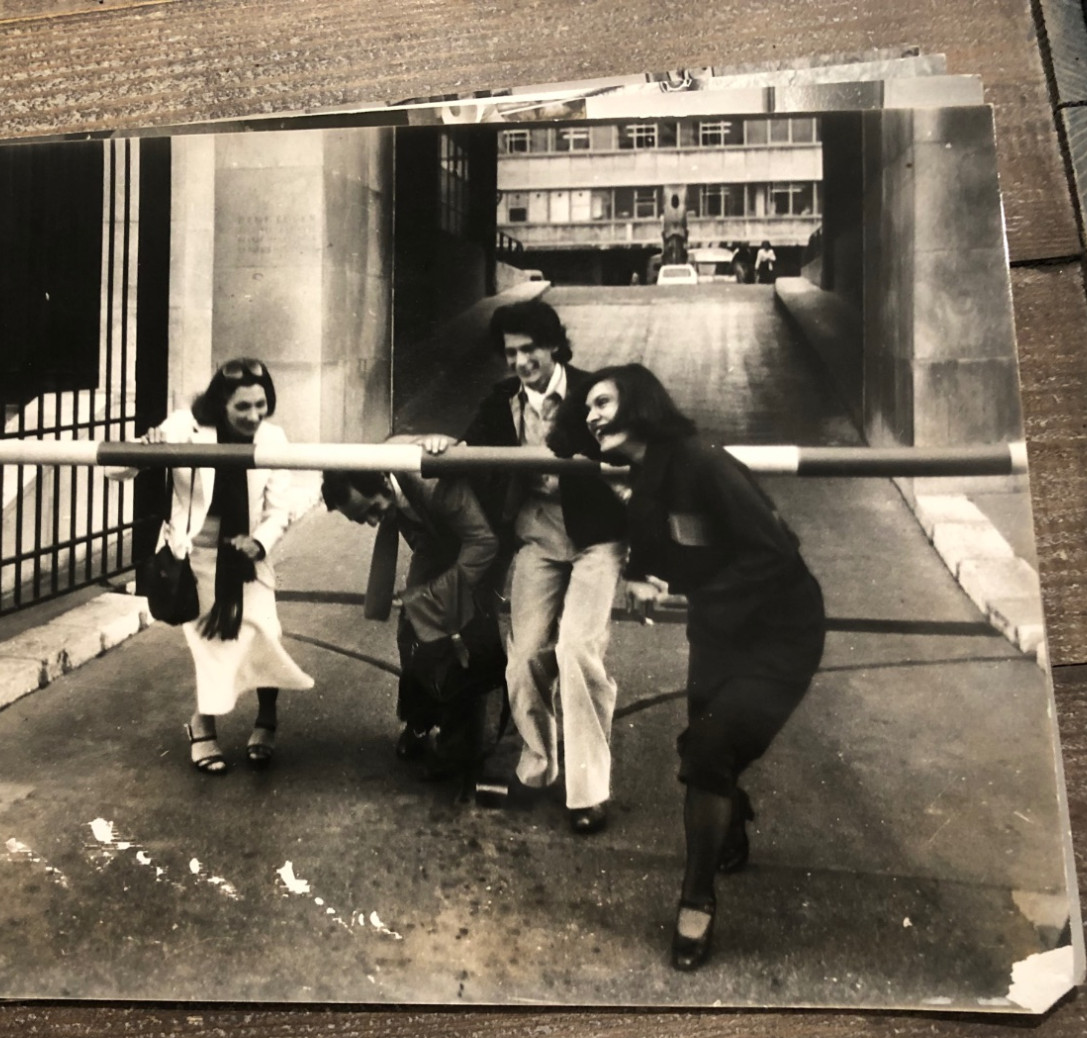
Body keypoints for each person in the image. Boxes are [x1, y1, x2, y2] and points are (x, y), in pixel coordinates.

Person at [554, 363, 825, 971]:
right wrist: (653, 577)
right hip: (718, 635)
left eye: (601, 402)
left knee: (706, 750)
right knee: (713, 757)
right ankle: (728, 822)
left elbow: (778, 553)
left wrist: (673, 592)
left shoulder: (703, 461)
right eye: (586, 409)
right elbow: (671, 551)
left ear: (641, 403)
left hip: (781, 633)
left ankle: (695, 902)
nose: (590, 416)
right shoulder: (646, 477)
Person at [424, 300, 627, 834]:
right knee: (525, 654)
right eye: (511, 352)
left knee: (578, 650)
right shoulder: (503, 400)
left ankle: (588, 791)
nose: (520, 360)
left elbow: (635, 449)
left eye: (529, 349)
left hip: (596, 539)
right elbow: (470, 443)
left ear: (554, 345)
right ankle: (538, 767)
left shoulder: (592, 392)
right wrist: (449, 445)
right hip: (537, 536)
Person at [134, 358, 315, 773]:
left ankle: (266, 717)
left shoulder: (273, 439)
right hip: (197, 559)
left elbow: (278, 509)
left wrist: (260, 542)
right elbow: (119, 472)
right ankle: (203, 725)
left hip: (246, 560)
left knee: (266, 634)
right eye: (243, 407)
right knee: (212, 650)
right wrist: (147, 447)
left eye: (261, 405)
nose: (254, 416)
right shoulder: (185, 428)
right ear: (221, 405)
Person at [321, 456, 500, 795]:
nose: (375, 521)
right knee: (411, 629)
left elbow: (484, 541)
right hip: (436, 543)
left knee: (463, 642)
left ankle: (458, 745)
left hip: (483, 545)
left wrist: (439, 600)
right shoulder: (386, 487)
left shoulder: (432, 485)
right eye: (364, 520)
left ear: (385, 482)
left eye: (373, 510)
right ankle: (420, 720)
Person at [661, 193, 688, 267]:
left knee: (681, 252)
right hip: (669, 236)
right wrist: (664, 237)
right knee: (668, 251)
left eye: (676, 200)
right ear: (671, 201)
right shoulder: (667, 210)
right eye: (673, 200)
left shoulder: (682, 210)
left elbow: (685, 224)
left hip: (680, 236)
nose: (675, 202)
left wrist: (686, 239)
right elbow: (664, 224)